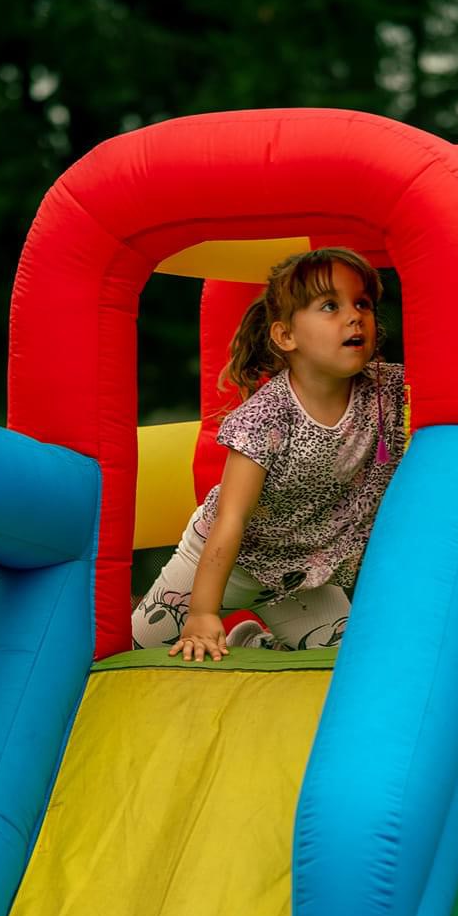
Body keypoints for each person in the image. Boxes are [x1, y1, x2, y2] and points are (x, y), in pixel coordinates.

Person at [131, 248, 405, 660]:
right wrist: (203, 612)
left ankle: (257, 642)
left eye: (362, 303)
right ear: (285, 336)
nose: (354, 316)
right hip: (225, 563)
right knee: (135, 649)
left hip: (301, 576)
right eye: (330, 305)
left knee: (347, 656)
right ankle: (221, 622)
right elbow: (231, 518)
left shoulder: (385, 392)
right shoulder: (265, 417)